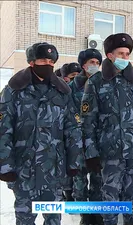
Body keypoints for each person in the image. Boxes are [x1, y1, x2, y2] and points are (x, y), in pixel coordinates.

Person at [0, 42, 82, 225]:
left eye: (51, 60)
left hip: (53, 169)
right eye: (43, 59)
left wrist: (74, 160)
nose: (48, 63)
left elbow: (72, 129)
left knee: (53, 218)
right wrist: (5, 165)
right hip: (24, 170)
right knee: (25, 218)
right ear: (31, 62)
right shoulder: (13, 91)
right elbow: (3, 130)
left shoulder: (62, 92)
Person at [80, 33, 133, 225]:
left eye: (127, 54)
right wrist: (91, 153)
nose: (124, 58)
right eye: (120, 53)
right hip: (109, 152)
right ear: (109, 55)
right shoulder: (96, 82)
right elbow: (88, 121)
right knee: (110, 197)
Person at [70, 48, 103, 225]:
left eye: (98, 63)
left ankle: (97, 211)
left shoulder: (103, 85)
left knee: (98, 179)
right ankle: (84, 213)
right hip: (77, 141)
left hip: (97, 140)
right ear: (83, 65)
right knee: (80, 180)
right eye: (92, 63)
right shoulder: (71, 88)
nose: (95, 66)